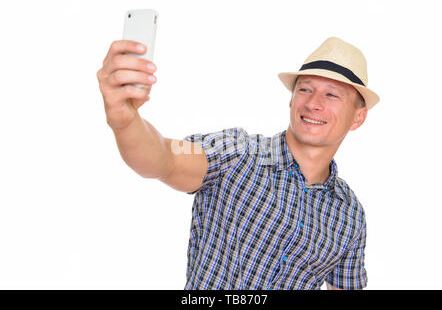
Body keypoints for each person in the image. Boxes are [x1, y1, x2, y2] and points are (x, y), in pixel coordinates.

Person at [96, 36, 379, 290]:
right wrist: (125, 121)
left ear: (358, 118)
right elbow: (163, 159)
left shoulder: (350, 214)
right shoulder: (237, 151)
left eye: (331, 94)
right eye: (305, 90)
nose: (313, 103)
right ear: (291, 99)